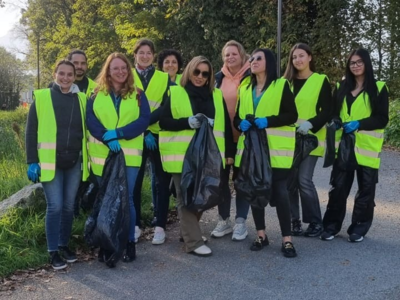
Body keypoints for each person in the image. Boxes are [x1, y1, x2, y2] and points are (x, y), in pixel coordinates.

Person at [159, 56, 235, 256]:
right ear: (189, 71)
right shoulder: (175, 92)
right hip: (182, 155)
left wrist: (229, 154)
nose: (200, 77)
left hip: (209, 154)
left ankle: (188, 231)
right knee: (185, 197)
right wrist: (187, 122)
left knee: (203, 195)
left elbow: (226, 126)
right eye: (196, 72)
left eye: (205, 73)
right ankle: (192, 242)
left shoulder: (216, 95)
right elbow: (163, 122)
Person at [86, 52, 150, 265]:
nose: (120, 71)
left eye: (124, 68)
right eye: (116, 68)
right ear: (108, 71)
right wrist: (106, 137)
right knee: (106, 198)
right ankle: (106, 243)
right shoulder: (96, 94)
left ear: (128, 70)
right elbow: (91, 120)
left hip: (129, 156)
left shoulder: (138, 94)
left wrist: (119, 133)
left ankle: (129, 242)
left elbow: (143, 121)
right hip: (103, 156)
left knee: (127, 199)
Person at [234, 48, 298, 257]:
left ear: (268, 62)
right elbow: (236, 117)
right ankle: (261, 235)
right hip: (251, 150)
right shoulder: (245, 87)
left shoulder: (281, 85)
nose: (253, 61)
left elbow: (292, 115)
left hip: (275, 151)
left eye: (258, 58)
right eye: (252, 58)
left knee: (280, 193)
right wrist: (240, 123)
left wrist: (268, 121)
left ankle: (287, 239)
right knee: (255, 191)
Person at [25, 60, 89, 270]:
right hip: (49, 162)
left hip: (73, 161)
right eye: (61, 74)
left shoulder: (81, 99)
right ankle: (53, 251)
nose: (65, 78)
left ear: (74, 77)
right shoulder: (42, 97)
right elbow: (30, 131)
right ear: (54, 74)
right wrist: (32, 161)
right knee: (55, 206)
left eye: (70, 74)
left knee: (69, 206)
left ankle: (64, 244)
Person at [320, 48, 389, 243]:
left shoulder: (379, 87)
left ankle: (359, 227)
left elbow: (382, 119)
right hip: (344, 146)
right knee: (338, 187)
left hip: (367, 148)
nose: (356, 65)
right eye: (352, 62)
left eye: (359, 62)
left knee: (366, 190)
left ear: (367, 64)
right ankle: (331, 226)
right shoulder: (341, 86)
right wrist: (335, 121)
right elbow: (333, 112)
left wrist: (360, 124)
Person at [283, 43, 332, 237]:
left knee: (304, 180)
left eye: (301, 56)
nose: (298, 60)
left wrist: (311, 124)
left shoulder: (320, 80)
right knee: (289, 183)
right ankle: (294, 221)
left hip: (311, 139)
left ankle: (315, 222)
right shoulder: (286, 82)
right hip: (288, 139)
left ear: (310, 57)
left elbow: (328, 110)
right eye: (294, 57)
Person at [132, 38, 172, 245]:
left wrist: (147, 126)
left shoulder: (164, 78)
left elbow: (166, 106)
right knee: (135, 182)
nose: (145, 56)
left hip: (157, 135)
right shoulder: (126, 76)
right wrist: (142, 129)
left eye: (149, 53)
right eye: (141, 52)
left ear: (153, 55)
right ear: (135, 54)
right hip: (134, 137)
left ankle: (160, 226)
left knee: (161, 181)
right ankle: (135, 224)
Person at [211, 40, 251, 241]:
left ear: (242, 55)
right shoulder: (217, 78)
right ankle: (223, 219)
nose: (230, 57)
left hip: (244, 138)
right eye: (227, 55)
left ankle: (241, 222)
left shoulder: (251, 76)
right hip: (222, 139)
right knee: (221, 182)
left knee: (241, 181)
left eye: (234, 53)